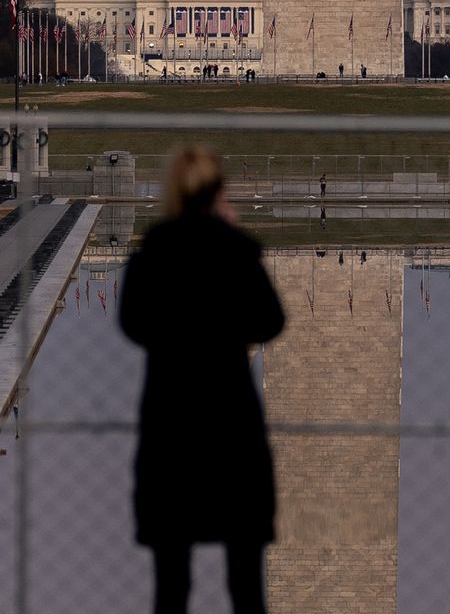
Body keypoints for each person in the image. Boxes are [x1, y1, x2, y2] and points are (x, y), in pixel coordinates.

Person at [119, 145, 285, 614]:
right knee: (246, 584)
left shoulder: (153, 255)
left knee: (171, 584)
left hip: (171, 424)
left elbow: (133, 325)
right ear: (218, 190)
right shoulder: (236, 254)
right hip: (231, 424)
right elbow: (270, 323)